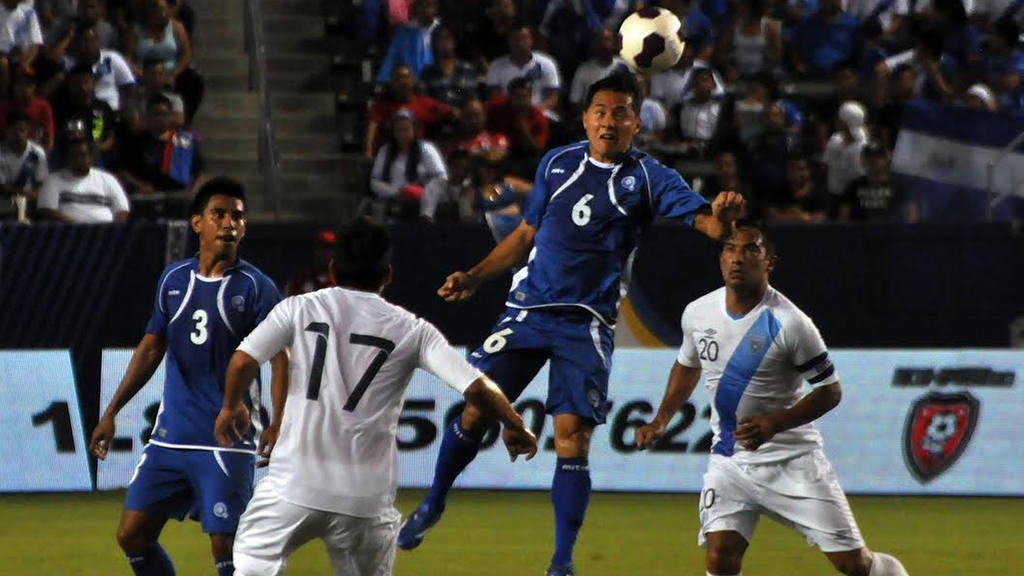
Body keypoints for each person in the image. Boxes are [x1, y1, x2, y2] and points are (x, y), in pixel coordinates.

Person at [399, 72, 745, 576]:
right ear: (585, 118)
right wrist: (475, 277)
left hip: (585, 322)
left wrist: (725, 216)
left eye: (621, 111)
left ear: (637, 122)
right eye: (601, 110)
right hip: (528, 309)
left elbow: (710, 226)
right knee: (477, 407)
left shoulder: (650, 177)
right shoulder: (557, 163)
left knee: (572, 437)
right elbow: (524, 235)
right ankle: (434, 501)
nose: (610, 120)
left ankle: (561, 562)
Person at [215, 217, 538, 576]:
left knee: (249, 566)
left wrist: (231, 406)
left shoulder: (299, 308)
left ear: (334, 269)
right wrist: (515, 424)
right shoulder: (412, 329)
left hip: (293, 484)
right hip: (366, 498)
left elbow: (243, 360)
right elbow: (477, 387)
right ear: (387, 275)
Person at [635, 220, 910, 576]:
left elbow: (830, 390)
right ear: (720, 258)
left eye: (751, 249)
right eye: (730, 248)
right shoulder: (697, 312)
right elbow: (687, 365)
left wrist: (774, 423)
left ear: (769, 263)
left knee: (854, 564)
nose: (737, 258)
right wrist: (660, 420)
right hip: (730, 459)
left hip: (792, 460)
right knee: (720, 557)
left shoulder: (791, 323)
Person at [89, 177, 289, 576]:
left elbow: (282, 360)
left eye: (238, 216)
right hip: (172, 437)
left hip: (227, 439)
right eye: (220, 214)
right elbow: (150, 349)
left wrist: (279, 424)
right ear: (197, 223)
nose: (230, 224)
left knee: (227, 548)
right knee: (132, 534)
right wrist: (111, 411)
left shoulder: (256, 287)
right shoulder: (173, 280)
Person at [37, 136, 128, 223]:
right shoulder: (53, 180)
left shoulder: (108, 179)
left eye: (83, 155)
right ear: (67, 158)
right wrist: (78, 227)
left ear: (91, 158)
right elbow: (47, 210)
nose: (79, 159)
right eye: (74, 155)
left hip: (105, 234)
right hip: (69, 234)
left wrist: (112, 231)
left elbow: (122, 210)